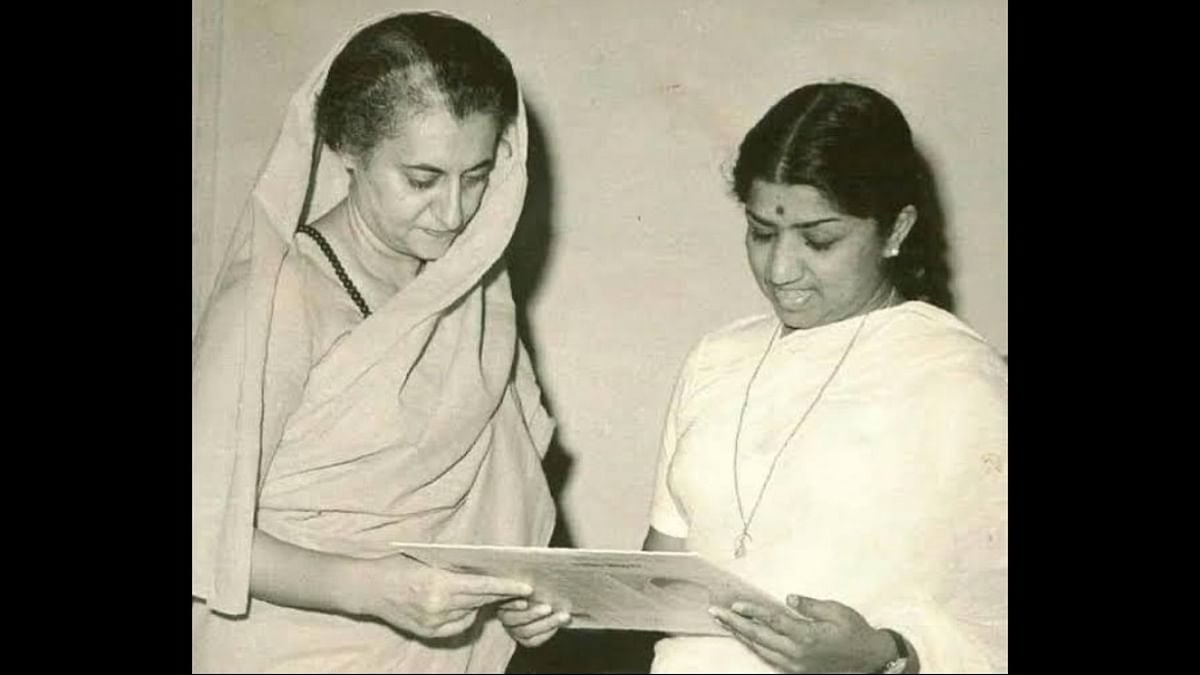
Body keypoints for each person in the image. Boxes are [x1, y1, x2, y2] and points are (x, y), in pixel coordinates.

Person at [192, 12, 569, 672]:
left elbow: (502, 495)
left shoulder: (477, 297)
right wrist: (369, 587)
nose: (454, 212)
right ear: (348, 150)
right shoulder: (282, 296)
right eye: (422, 179)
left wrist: (522, 597)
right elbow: (198, 526)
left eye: (476, 176)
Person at [643, 82, 1007, 673]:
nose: (781, 269)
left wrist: (887, 658)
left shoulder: (959, 381)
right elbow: (662, 579)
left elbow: (997, 627)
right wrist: (559, 602)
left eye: (820, 240)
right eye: (762, 232)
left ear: (895, 230)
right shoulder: (716, 358)